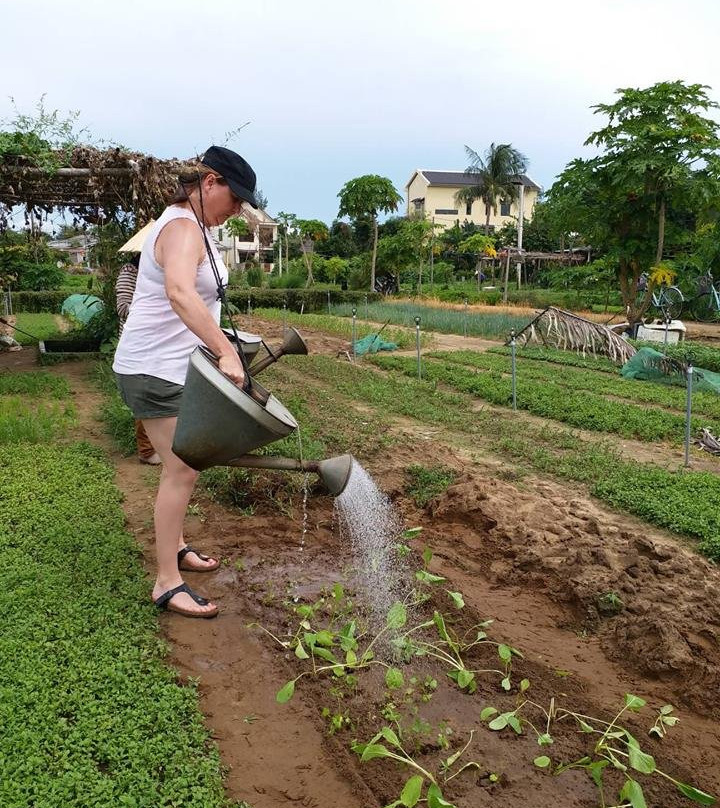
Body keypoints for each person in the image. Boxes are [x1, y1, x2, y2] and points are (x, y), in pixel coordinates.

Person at [113, 146, 258, 618]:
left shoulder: (197, 227)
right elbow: (178, 291)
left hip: (173, 367)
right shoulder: (180, 228)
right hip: (153, 369)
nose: (237, 209)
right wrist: (225, 351)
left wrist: (223, 342)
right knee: (182, 469)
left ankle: (175, 547)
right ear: (210, 182)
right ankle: (166, 583)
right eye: (235, 198)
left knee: (179, 465)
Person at [115, 253, 161, 465]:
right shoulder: (130, 272)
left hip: (158, 343)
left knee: (158, 395)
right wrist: (153, 305)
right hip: (138, 345)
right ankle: (146, 449)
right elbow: (122, 308)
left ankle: (157, 444)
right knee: (145, 395)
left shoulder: (158, 272)